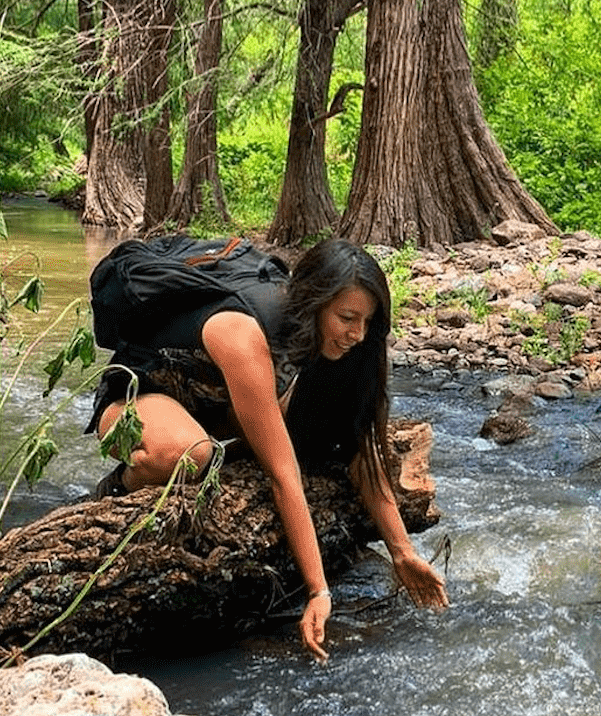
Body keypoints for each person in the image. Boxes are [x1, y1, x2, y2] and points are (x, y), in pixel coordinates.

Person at [89, 238, 446, 663]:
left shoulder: (342, 339)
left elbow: (362, 448)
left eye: (367, 321)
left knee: (305, 427)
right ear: (313, 303)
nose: (358, 334)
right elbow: (283, 475)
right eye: (347, 318)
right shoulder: (243, 333)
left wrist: (402, 552)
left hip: (215, 403)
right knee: (190, 454)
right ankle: (120, 483)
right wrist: (318, 590)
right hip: (139, 398)